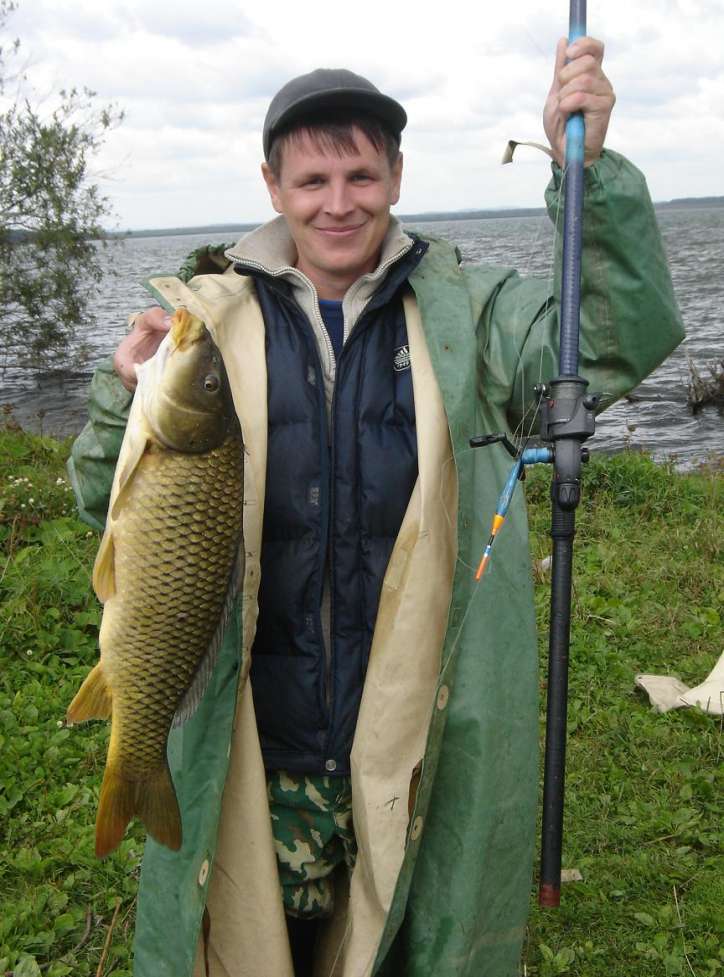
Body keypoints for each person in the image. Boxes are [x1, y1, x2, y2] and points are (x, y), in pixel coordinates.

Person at [68, 40, 684, 977]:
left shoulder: (472, 315)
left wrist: (587, 173)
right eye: (312, 180)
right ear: (272, 187)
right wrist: (125, 395)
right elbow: (99, 503)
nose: (339, 202)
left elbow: (609, 342)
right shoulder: (208, 323)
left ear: (397, 176)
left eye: (362, 175)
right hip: (256, 756)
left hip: (411, 755)